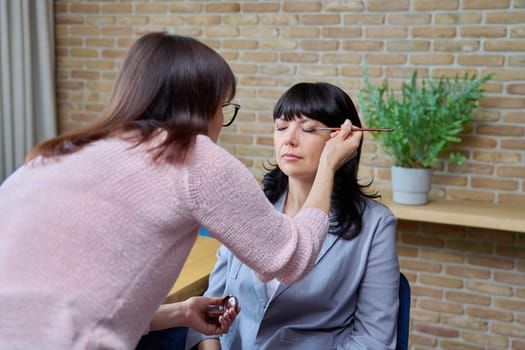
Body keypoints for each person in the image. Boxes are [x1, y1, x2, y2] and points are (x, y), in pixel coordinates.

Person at [0, 33, 362, 349]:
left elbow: (78, 300)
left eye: (310, 129)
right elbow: (293, 260)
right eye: (224, 108)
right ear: (204, 106)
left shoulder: (61, 152)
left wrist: (181, 312)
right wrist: (328, 165)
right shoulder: (195, 157)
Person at [183, 82, 400, 350]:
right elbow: (212, 305)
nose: (289, 139)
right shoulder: (251, 204)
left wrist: (328, 167)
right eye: (281, 127)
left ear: (343, 140)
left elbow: (373, 340)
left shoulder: (375, 225)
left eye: (309, 128)